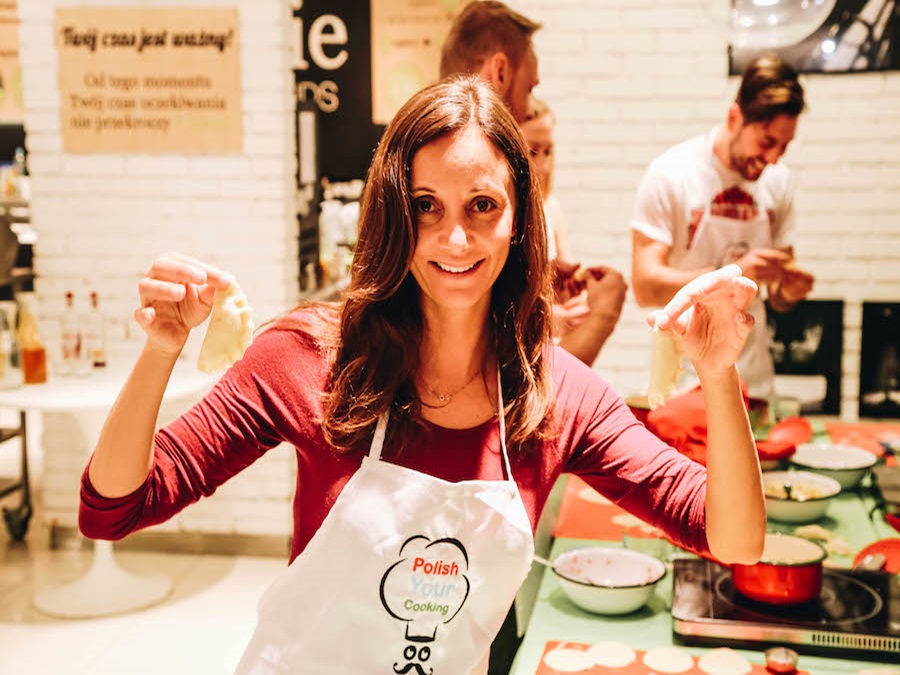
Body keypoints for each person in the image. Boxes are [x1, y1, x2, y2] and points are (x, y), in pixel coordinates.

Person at [79, 76, 765, 675]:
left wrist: (717, 371)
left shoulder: (555, 394)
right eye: (425, 205)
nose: (454, 238)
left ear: (521, 217)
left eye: (483, 206)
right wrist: (162, 349)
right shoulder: (309, 357)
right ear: (392, 211)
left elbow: (732, 537)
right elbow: (112, 507)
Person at [631, 54, 815, 401]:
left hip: (755, 384)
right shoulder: (672, 174)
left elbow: (775, 296)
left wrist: (786, 291)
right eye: (766, 142)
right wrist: (731, 275)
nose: (774, 158)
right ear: (735, 117)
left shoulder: (779, 182)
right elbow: (645, 286)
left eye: (784, 146)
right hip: (684, 384)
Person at [521, 97, 626, 366]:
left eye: (548, 152)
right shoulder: (502, 216)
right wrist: (549, 318)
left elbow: (562, 289)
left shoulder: (550, 207)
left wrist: (570, 293)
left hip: (552, 353)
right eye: (533, 152)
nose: (543, 166)